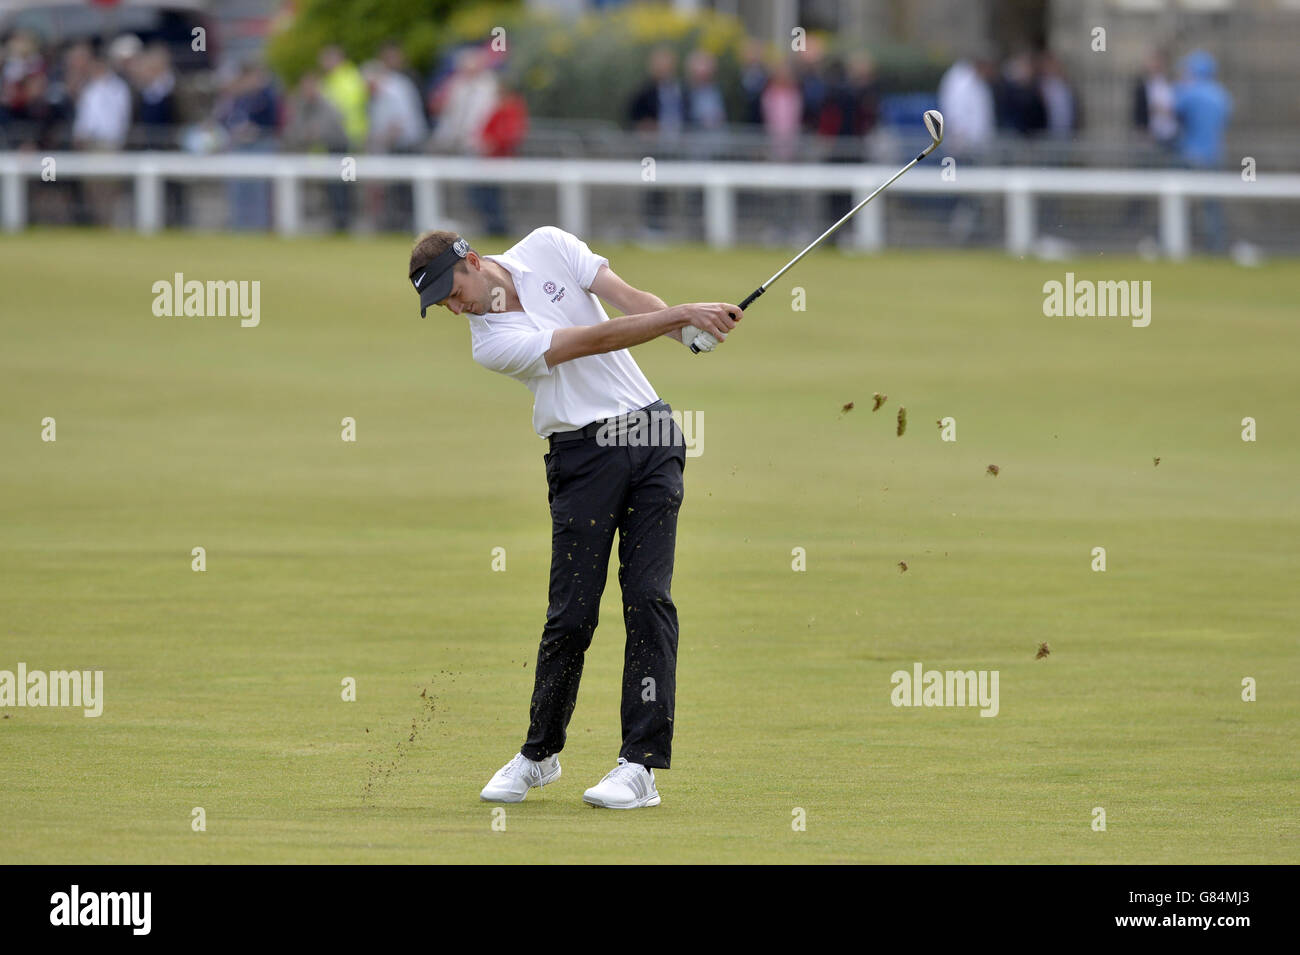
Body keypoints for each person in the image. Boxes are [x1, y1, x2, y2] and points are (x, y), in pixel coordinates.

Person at [405, 226, 743, 809]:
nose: (453, 306)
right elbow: (590, 340)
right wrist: (683, 314)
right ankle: (540, 756)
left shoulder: (547, 246)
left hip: (652, 433)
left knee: (649, 599)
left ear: (474, 262)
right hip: (583, 458)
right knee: (571, 614)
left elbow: (630, 300)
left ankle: (639, 768)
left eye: (451, 289)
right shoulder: (490, 343)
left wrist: (685, 328)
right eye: (440, 304)